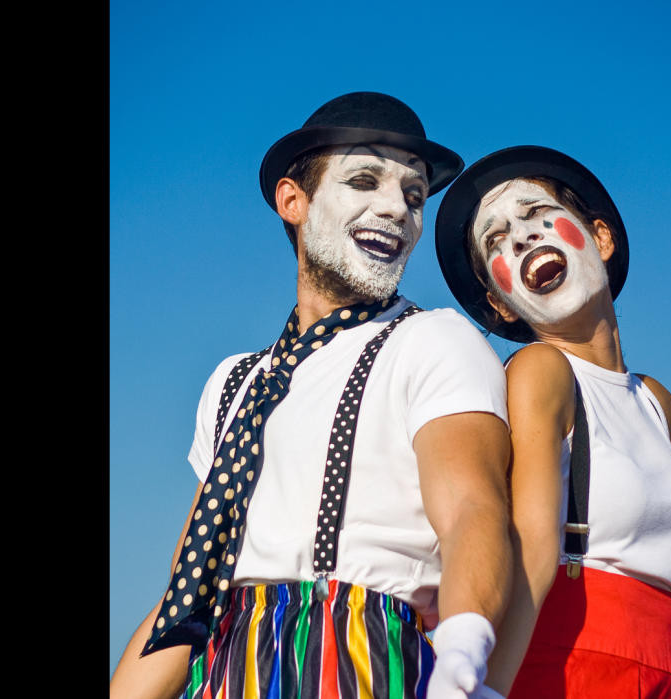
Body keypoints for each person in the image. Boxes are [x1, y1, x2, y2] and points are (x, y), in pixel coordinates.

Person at [110, 92, 513, 699]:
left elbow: (472, 514)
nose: (397, 209)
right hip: (222, 663)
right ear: (292, 202)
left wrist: (461, 661)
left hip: (359, 653)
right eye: (364, 180)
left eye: (412, 195)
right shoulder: (233, 382)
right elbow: (185, 596)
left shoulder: (433, 340)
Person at [433, 146, 671, 698]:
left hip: (659, 669)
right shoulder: (541, 370)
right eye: (496, 240)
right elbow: (532, 542)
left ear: (601, 239)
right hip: (565, 664)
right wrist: (488, 690)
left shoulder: (651, 401)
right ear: (500, 303)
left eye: (536, 213)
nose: (522, 236)